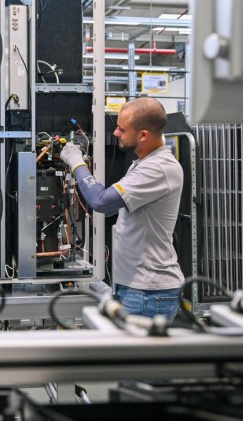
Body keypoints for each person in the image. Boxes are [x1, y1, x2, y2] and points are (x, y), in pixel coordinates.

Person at [59, 97, 184, 322]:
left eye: (121, 129)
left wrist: (76, 163)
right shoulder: (143, 164)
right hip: (137, 287)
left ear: (143, 135)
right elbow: (109, 208)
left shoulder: (158, 169)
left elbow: (101, 201)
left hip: (149, 292)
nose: (115, 133)